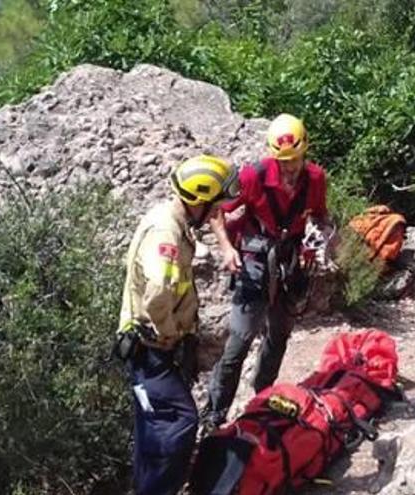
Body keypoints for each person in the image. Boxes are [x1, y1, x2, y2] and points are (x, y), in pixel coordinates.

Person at [114, 155, 239, 495]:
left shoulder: (171, 220)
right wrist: (169, 334)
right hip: (151, 349)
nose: (217, 212)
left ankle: (145, 486)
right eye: (214, 205)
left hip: (152, 348)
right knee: (179, 425)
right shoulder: (166, 235)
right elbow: (157, 297)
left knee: (152, 431)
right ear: (198, 200)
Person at [203, 113, 330, 429]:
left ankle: (261, 401)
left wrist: (317, 244)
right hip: (256, 261)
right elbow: (216, 210)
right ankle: (215, 411)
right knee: (240, 340)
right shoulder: (252, 176)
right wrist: (227, 248)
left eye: (294, 160)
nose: (289, 167)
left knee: (278, 336)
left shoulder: (315, 179)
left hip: (288, 263)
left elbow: (320, 217)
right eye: (283, 161)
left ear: (304, 152)